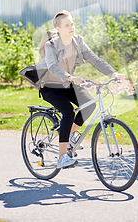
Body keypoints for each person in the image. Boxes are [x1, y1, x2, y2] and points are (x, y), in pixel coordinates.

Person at [39, 10, 125, 169]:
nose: (71, 27)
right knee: (68, 112)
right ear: (58, 28)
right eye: (66, 25)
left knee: (90, 104)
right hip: (50, 86)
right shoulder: (51, 45)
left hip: (67, 83)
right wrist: (70, 77)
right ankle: (62, 157)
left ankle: (68, 133)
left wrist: (113, 73)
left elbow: (95, 60)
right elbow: (51, 67)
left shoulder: (77, 41)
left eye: (71, 24)